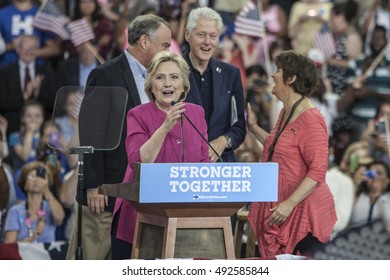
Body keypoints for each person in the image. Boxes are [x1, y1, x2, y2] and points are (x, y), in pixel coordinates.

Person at [66, 14, 171, 260]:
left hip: (143, 191)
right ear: (144, 41)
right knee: (93, 261)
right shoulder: (106, 74)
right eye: (165, 45)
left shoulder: (161, 79)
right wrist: (93, 185)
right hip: (107, 191)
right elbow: (92, 131)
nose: (169, 51)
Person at [114, 50, 210, 256]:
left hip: (184, 216)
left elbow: (204, 162)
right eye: (160, 77)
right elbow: (139, 161)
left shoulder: (196, 113)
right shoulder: (137, 114)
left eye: (174, 77)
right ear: (151, 85)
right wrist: (165, 126)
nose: (168, 83)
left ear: (183, 84)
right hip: (141, 216)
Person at [246, 50, 337, 257]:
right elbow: (276, 145)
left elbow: (318, 171)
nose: (273, 75)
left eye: (278, 70)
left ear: (291, 78)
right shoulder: (285, 110)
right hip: (284, 211)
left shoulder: (311, 119)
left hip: (306, 215)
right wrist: (253, 127)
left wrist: (289, 204)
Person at [183, 6, 246, 163]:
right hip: (182, 164)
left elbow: (238, 127)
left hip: (221, 164)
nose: (207, 42)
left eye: (213, 36)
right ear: (187, 35)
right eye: (201, 35)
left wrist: (223, 141)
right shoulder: (172, 72)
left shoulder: (231, 74)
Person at [0, 34, 56, 136]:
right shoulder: (4, 72)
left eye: (33, 48)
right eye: (25, 48)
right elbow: (2, 103)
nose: (29, 52)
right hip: (12, 127)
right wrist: (25, 95)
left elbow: (53, 103)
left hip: (41, 129)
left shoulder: (47, 72)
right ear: (17, 49)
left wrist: (37, 93)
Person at [3, 161, 65, 243]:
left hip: (47, 255)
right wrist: (32, 238)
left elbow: (59, 218)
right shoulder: (15, 211)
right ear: (25, 184)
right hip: (24, 255)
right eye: (32, 177)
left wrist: (46, 191)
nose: (36, 180)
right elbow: (9, 247)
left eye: (40, 178)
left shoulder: (50, 207)